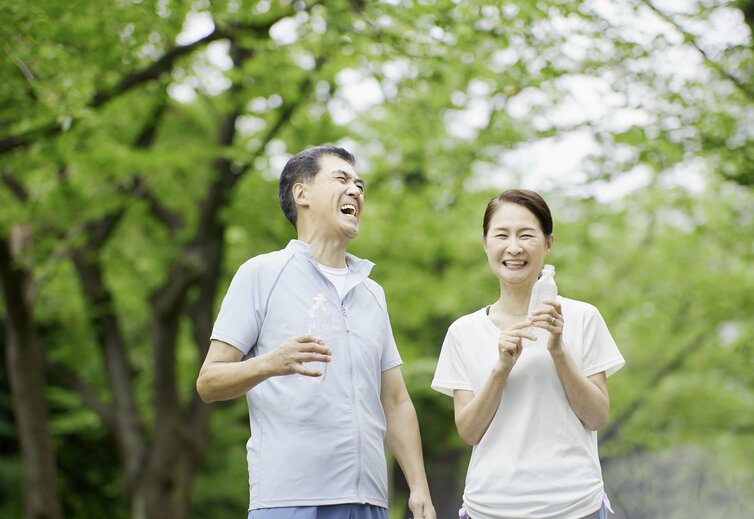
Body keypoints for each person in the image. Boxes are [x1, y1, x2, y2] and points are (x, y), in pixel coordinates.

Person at [197, 145, 436, 519]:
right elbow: (209, 382)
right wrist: (270, 363)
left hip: (369, 501)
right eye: (341, 179)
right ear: (301, 193)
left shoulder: (372, 293)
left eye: (360, 184)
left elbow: (396, 401)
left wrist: (419, 488)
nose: (356, 190)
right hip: (288, 499)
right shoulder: (262, 274)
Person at [431, 189, 625, 519]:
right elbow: (469, 431)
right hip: (490, 508)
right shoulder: (463, 332)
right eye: (502, 235)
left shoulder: (582, 318)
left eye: (527, 235)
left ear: (548, 243)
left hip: (575, 506)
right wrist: (501, 367)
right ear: (486, 243)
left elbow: (596, 417)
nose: (514, 247)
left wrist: (558, 351)